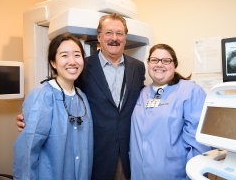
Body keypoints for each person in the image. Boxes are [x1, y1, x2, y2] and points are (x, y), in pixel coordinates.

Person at [16, 13, 146, 180]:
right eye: (108, 33)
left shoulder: (138, 67)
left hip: (129, 153)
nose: (114, 38)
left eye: (119, 33)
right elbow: (59, 95)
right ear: (99, 36)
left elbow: (142, 102)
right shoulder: (82, 67)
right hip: (94, 155)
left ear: (125, 37)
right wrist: (30, 119)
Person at [13, 33, 93, 180]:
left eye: (77, 55)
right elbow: (27, 152)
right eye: (64, 55)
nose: (72, 61)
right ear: (53, 62)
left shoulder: (82, 97)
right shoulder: (42, 96)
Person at [129, 43, 211, 180]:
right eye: (154, 60)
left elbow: (200, 145)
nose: (159, 64)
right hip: (139, 173)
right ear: (148, 63)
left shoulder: (190, 91)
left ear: (174, 64)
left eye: (166, 61)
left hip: (174, 174)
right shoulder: (142, 93)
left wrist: (193, 176)